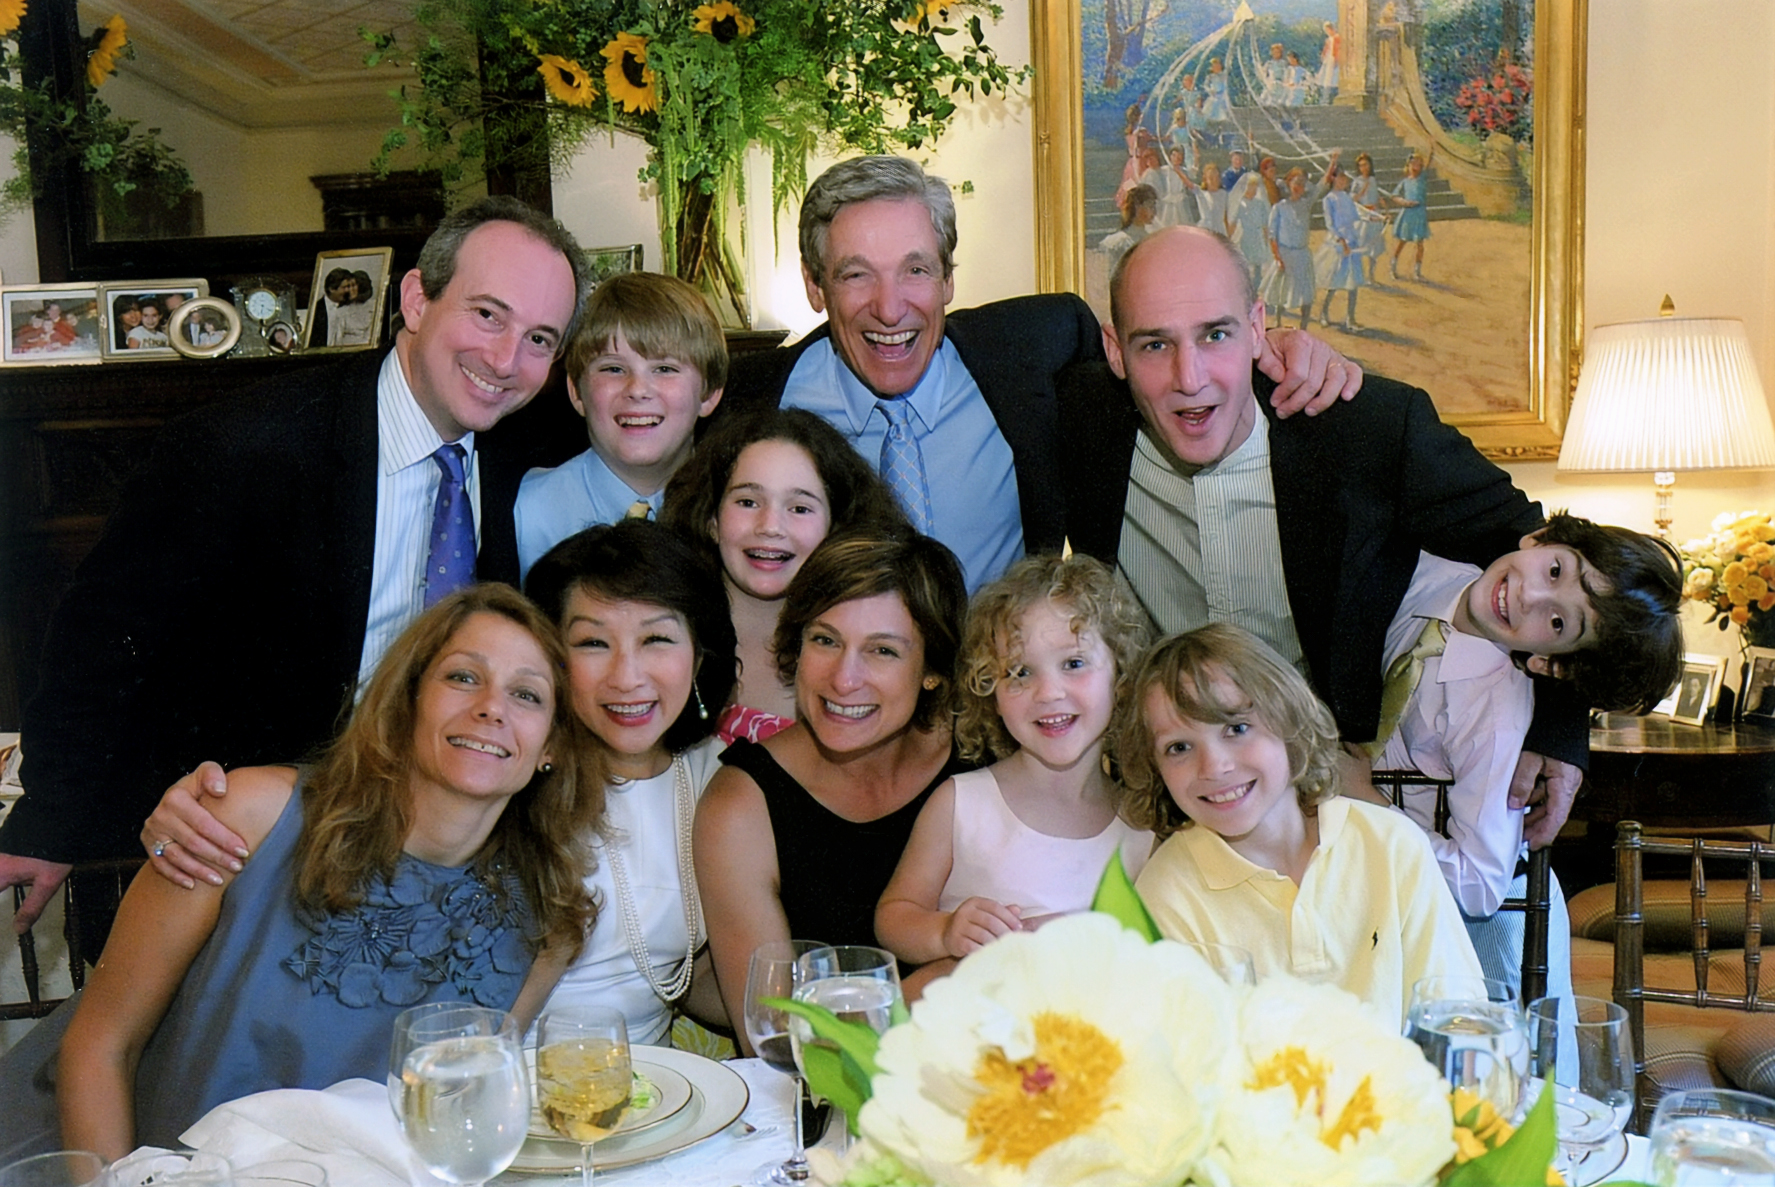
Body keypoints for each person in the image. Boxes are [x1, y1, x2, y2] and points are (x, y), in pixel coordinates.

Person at [1, 196, 590, 930]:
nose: (506, 361)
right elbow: (100, 634)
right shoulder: (244, 448)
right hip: (239, 853)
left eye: (540, 338)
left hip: (445, 851)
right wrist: (53, 817)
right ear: (415, 298)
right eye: (487, 315)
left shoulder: (536, 458)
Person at [0, 585, 595, 1157]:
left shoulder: (546, 924)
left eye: (528, 695)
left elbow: (460, 1129)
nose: (491, 707)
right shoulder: (248, 816)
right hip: (111, 1161)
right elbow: (101, 1045)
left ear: (551, 748)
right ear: (407, 700)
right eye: (462, 677)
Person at [1057, 226, 1591, 850]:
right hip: (1166, 804)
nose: (1190, 376)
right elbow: (1017, 337)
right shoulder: (1079, 421)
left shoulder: (1369, 429)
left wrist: (1560, 725)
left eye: (1216, 333)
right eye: (1155, 344)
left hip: (1329, 810)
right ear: (1116, 351)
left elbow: (1537, 546)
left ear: (1258, 327)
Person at [718, 155, 1361, 594]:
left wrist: (1270, 347)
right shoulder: (747, 404)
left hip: (1003, 732)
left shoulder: (1037, 346)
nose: (891, 307)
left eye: (915, 270)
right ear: (813, 285)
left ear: (948, 279)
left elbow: (1168, 362)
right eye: (857, 274)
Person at [1347, 516, 1683, 1004]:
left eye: (1558, 623)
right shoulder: (1422, 571)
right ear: (1541, 538)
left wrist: (1365, 799)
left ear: (1549, 663)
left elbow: (1481, 884)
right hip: (1369, 899)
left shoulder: (1496, 714)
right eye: (1554, 571)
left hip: (1479, 945)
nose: (1530, 598)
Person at [1125, 623, 1483, 1026]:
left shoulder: (1392, 845)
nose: (1215, 766)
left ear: (1290, 718)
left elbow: (1458, 1022)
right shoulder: (1165, 892)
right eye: (1179, 747)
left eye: (1237, 728)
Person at [693, 526, 967, 1050]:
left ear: (933, 669)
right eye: (825, 640)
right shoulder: (743, 806)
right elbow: (771, 1038)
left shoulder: (984, 760)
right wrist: (924, 992)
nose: (844, 679)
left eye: (883, 651)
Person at [874, 554, 1152, 979]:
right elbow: (894, 917)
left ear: (1122, 675)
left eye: (1074, 664)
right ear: (991, 691)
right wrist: (945, 930)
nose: (1048, 692)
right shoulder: (961, 803)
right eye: (1019, 672)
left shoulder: (1142, 828)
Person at [521, 520, 738, 1046]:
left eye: (657, 639)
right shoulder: (518, 771)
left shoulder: (719, 776)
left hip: (663, 1091)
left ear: (699, 654)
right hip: (518, 1074)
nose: (626, 676)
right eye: (593, 642)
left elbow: (683, 977)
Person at [660, 407, 909, 745]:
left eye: (800, 508)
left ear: (836, 528)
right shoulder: (661, 639)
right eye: (748, 502)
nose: (771, 527)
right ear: (711, 519)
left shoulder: (862, 658)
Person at [516, 273, 727, 579]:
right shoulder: (526, 512)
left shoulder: (738, 513)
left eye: (665, 369)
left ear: (708, 393)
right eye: (613, 368)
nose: (638, 389)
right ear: (576, 392)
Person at [1263, 160, 1334, 330]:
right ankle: (1278, 322)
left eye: (1302, 184)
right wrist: (1278, 257)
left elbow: (1322, 184)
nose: (1298, 187)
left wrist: (1333, 161)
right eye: (1295, 183)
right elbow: (1272, 235)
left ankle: (1304, 326)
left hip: (1302, 254)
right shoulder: (1280, 207)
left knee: (1306, 293)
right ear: (1289, 184)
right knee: (1282, 291)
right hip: (1285, 254)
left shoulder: (1306, 204)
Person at [1315, 165, 1364, 330]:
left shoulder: (1346, 197)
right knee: (1335, 281)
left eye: (1345, 178)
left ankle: (1350, 318)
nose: (1344, 181)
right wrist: (1341, 240)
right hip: (1338, 243)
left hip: (1352, 241)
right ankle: (1323, 313)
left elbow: (1357, 215)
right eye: (1341, 177)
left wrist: (1376, 218)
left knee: (1353, 283)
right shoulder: (1328, 199)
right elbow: (1330, 224)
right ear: (1333, 179)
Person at [1390, 149, 1435, 280]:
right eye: (1412, 164)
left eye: (1418, 164)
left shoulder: (1422, 178)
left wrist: (1431, 148)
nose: (1415, 167)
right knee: (1401, 242)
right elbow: (1394, 195)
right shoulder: (1405, 181)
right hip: (1408, 214)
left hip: (1419, 213)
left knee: (1419, 244)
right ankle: (1393, 267)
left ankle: (1417, 272)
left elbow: (1429, 160)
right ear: (1408, 166)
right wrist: (1404, 202)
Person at [1099, 184, 1159, 271]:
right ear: (1138, 207)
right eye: (1150, 206)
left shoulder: (1150, 240)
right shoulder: (1118, 243)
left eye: (1154, 206)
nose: (1154, 211)